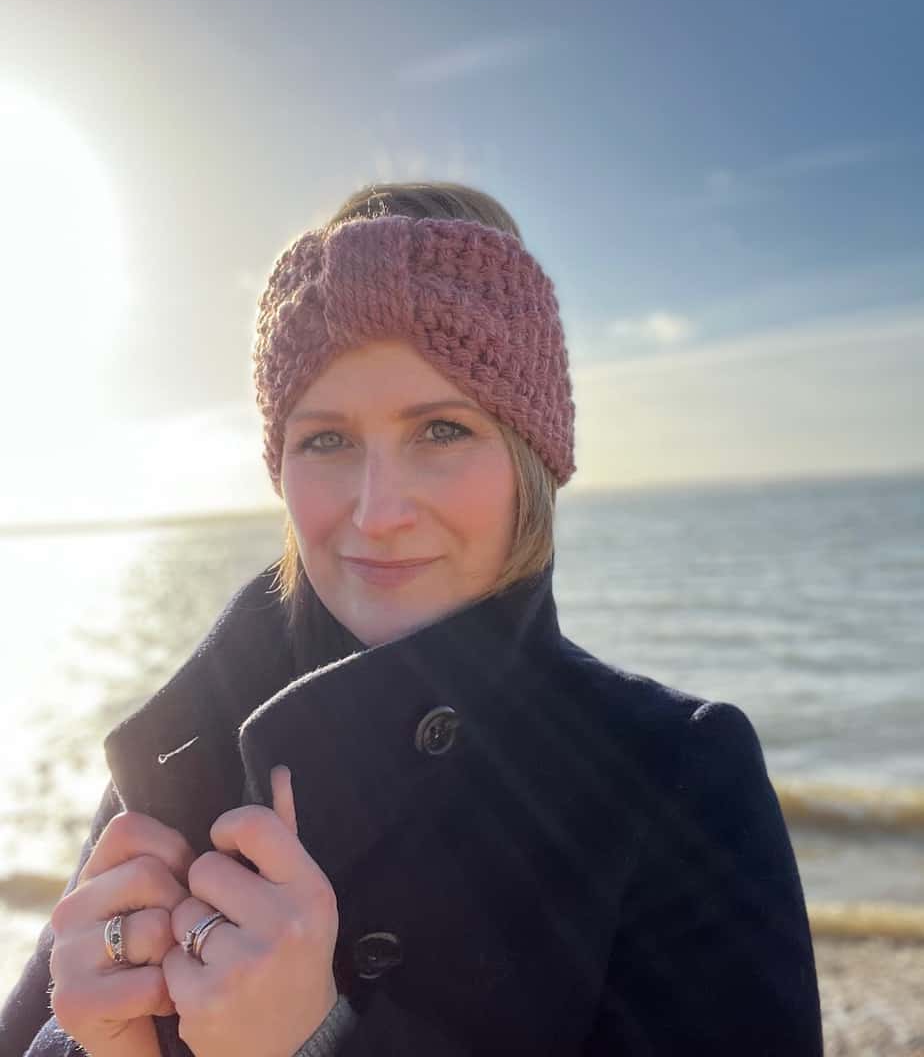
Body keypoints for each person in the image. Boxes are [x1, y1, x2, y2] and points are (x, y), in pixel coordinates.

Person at [1, 182, 824, 1056]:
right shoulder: (177, 747)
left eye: (439, 430)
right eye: (326, 440)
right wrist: (89, 1045)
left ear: (531, 457)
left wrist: (317, 1042)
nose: (377, 510)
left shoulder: (677, 775)